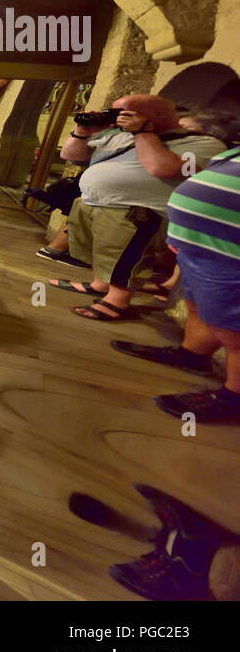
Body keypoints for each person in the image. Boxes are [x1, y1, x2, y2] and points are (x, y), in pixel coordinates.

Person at [46, 94, 225, 321]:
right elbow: (70, 155)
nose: (117, 118)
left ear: (157, 115)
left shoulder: (203, 143)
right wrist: (82, 130)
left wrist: (143, 133)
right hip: (94, 202)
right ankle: (100, 284)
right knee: (100, 251)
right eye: (115, 112)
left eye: (125, 112)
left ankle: (116, 302)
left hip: (138, 212)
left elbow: (163, 168)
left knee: (123, 257)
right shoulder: (119, 136)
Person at [128, 143, 240, 424]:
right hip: (205, 249)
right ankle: (193, 355)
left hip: (230, 252)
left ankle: (234, 400)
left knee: (233, 331)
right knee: (198, 307)